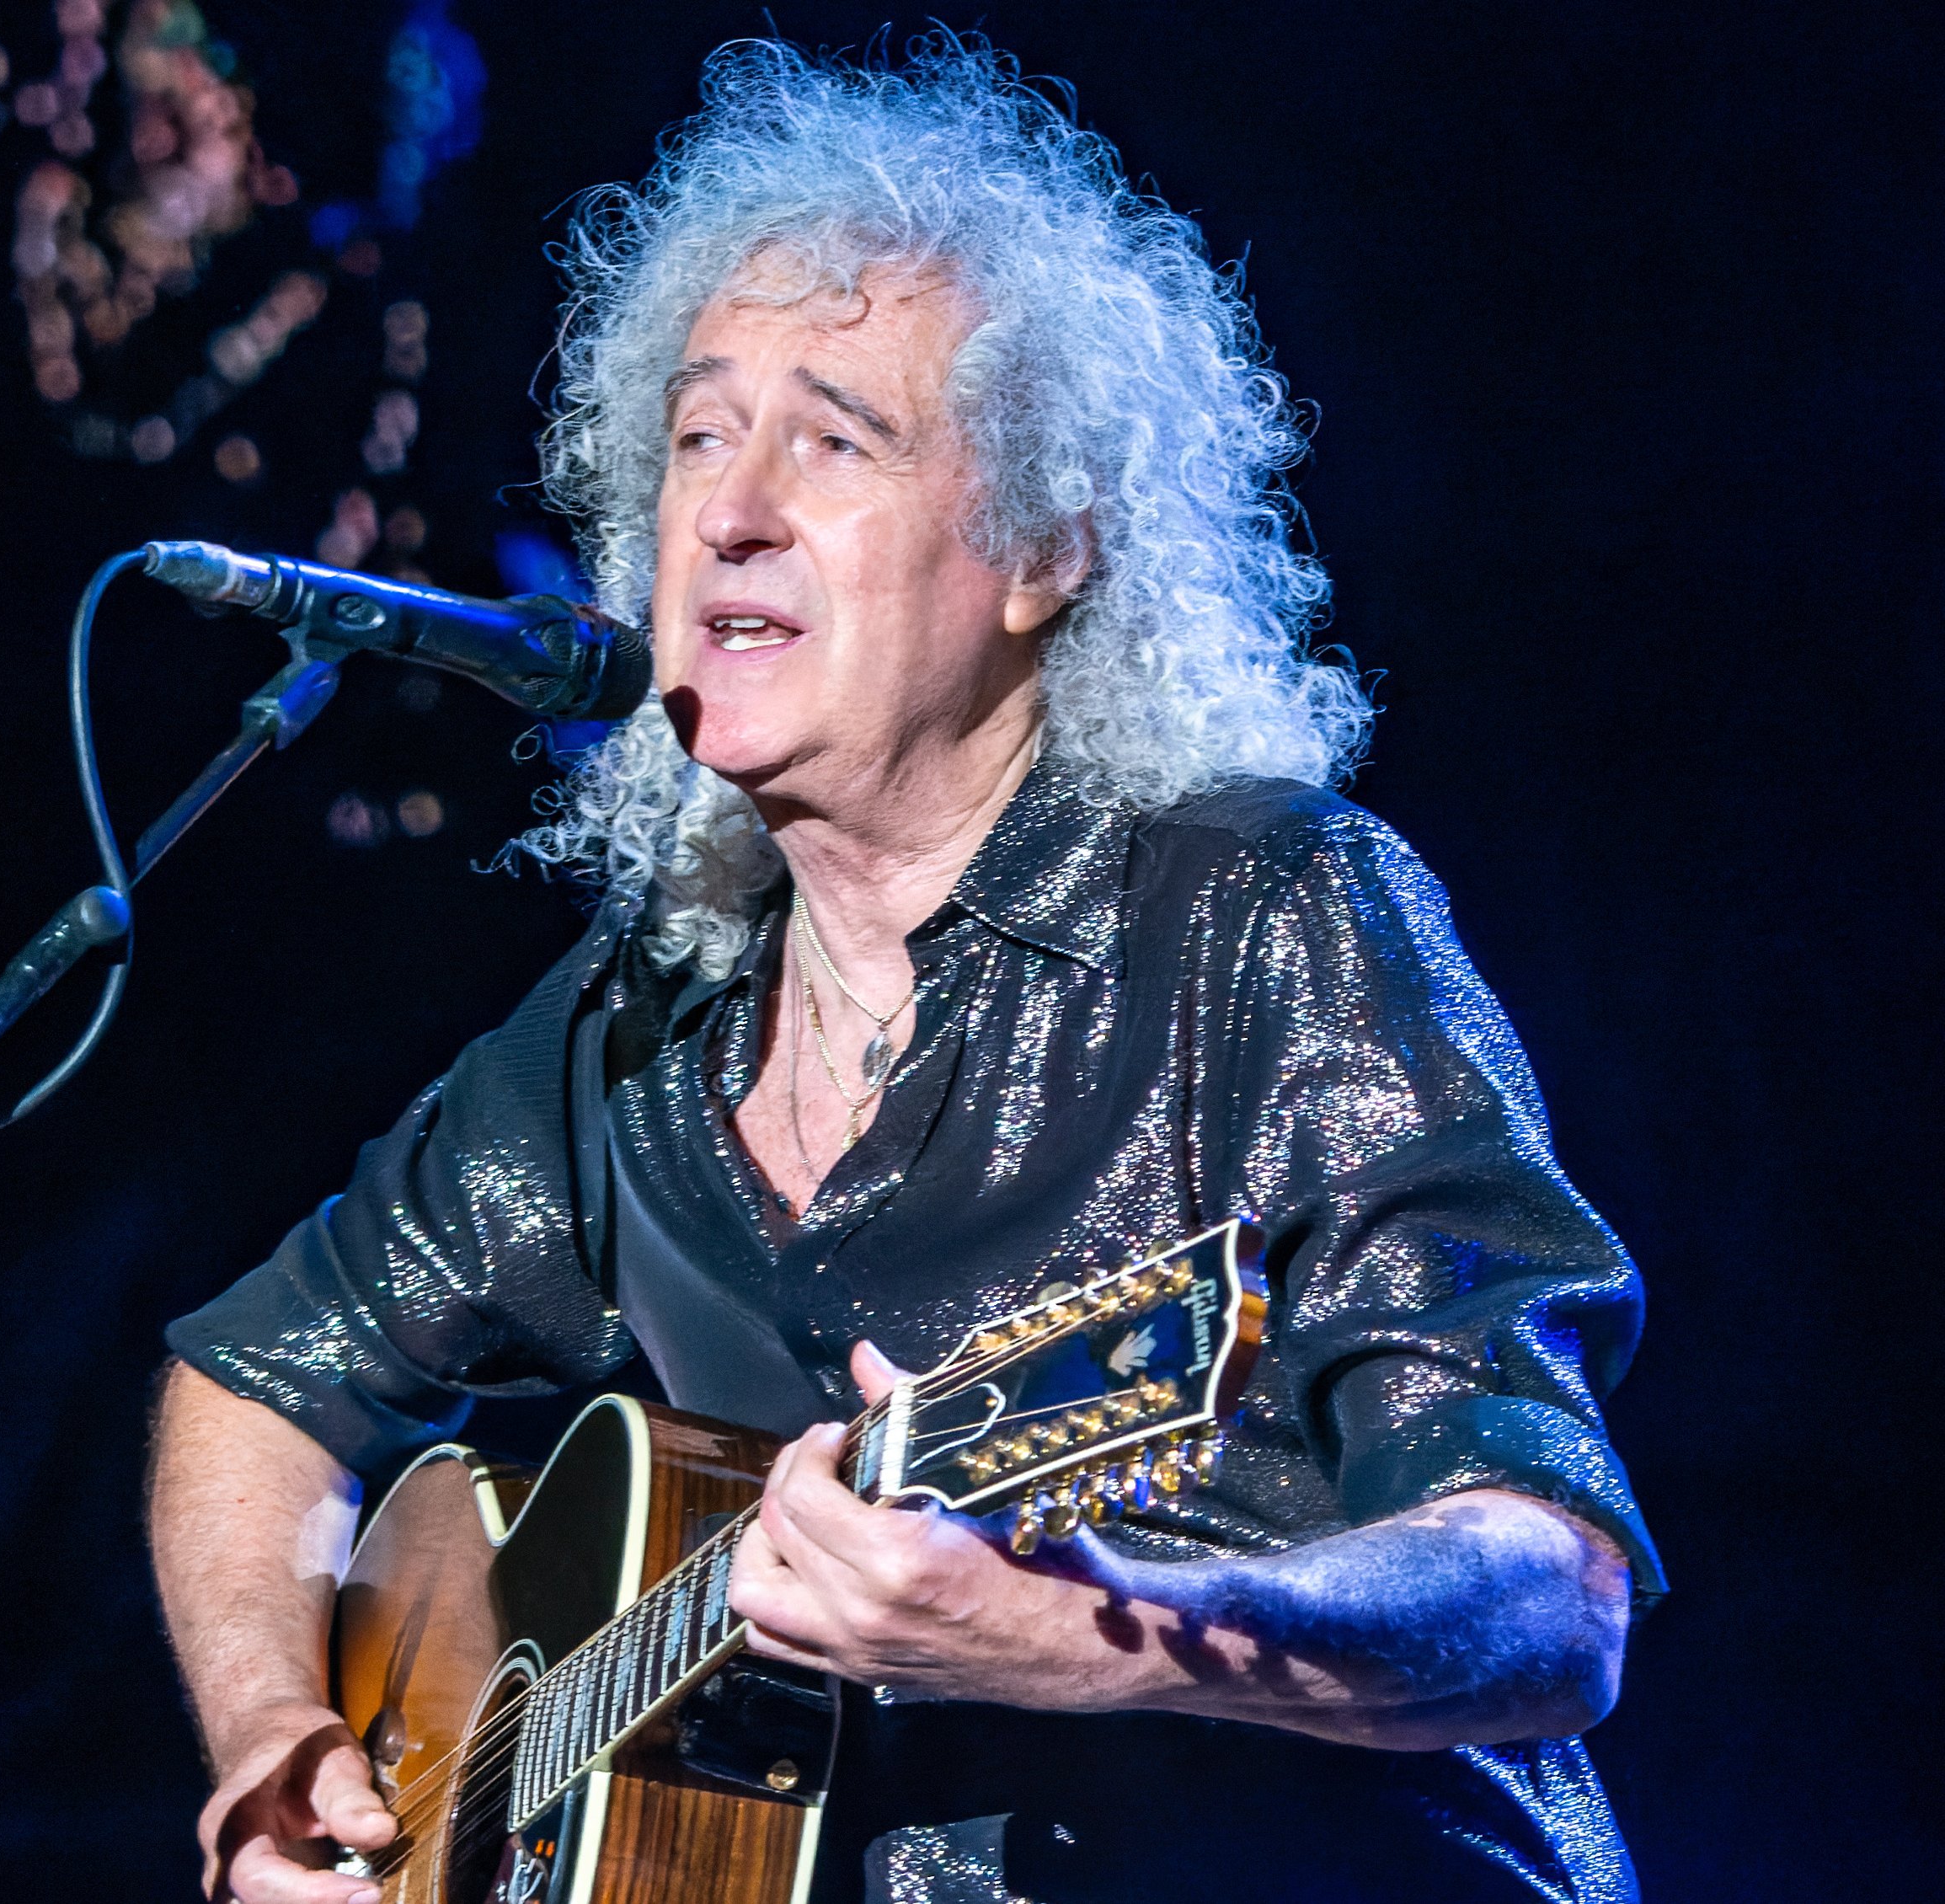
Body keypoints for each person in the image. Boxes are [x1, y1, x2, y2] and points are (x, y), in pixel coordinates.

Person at [149, 39, 1664, 1904]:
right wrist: (270, 1755)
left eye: (834, 436)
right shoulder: (640, 1029)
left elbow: (1545, 1591)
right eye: (698, 434)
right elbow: (251, 1375)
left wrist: (1092, 1632)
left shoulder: (1259, 916)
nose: (727, 508)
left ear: (1037, 546)